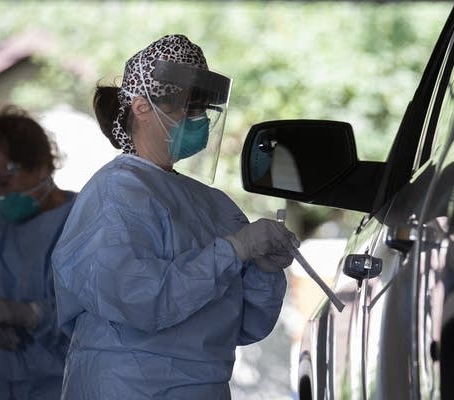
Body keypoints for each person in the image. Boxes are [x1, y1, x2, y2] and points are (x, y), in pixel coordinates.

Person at [51, 34, 298, 399]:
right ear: (141, 106)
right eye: (186, 105)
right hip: (128, 386)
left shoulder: (215, 204)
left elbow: (247, 325)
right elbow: (137, 300)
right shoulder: (116, 192)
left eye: (202, 109)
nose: (197, 119)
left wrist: (265, 271)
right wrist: (231, 252)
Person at [0, 105, 76, 400]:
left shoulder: (85, 224)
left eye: (4, 182)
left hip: (66, 387)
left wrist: (34, 315)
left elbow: (105, 319)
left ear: (43, 165)